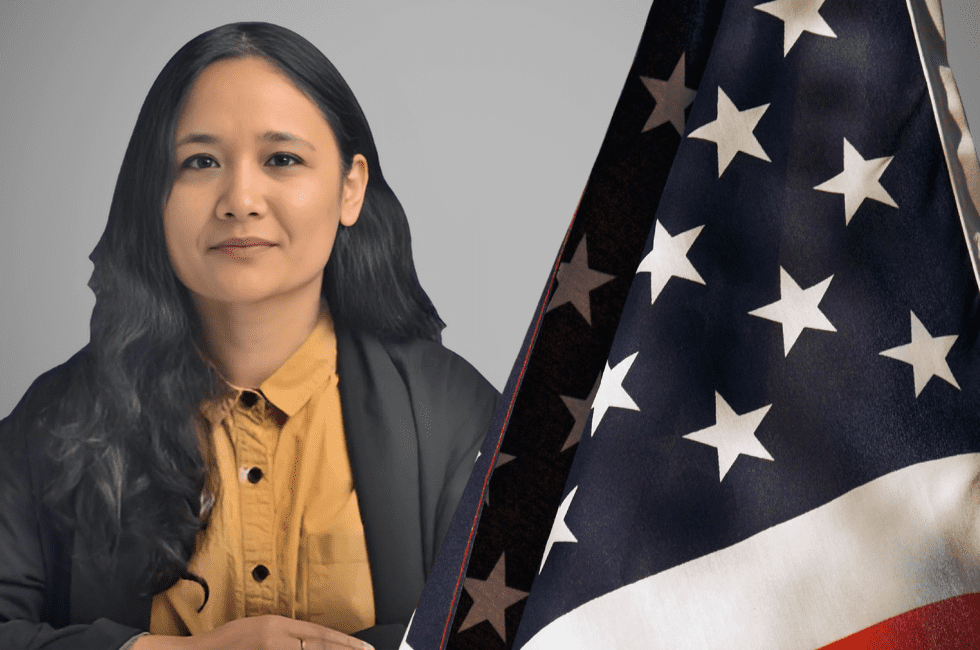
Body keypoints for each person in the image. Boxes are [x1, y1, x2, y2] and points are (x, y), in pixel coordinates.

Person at [0, 22, 499, 650]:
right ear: (153, 194)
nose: (239, 199)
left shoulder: (454, 414)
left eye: (281, 159)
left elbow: (527, 620)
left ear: (351, 188)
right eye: (200, 162)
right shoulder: (55, 420)